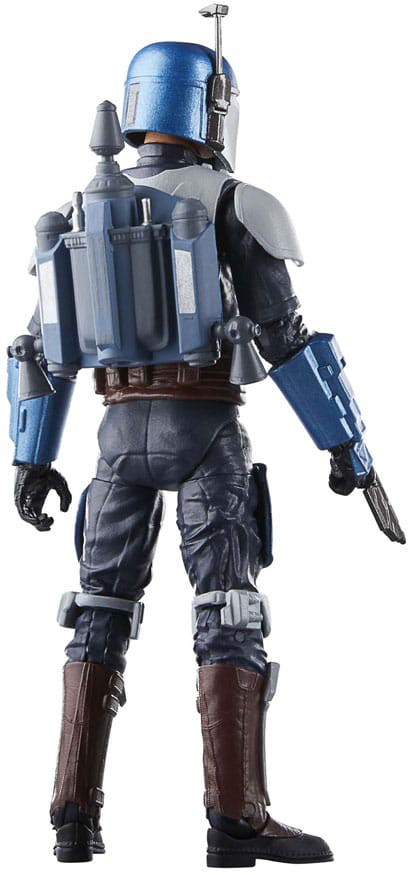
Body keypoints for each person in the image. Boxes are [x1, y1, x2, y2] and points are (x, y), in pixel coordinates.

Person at [10, 26, 393, 867]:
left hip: (115, 442)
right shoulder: (233, 204)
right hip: (206, 428)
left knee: (96, 611)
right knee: (229, 610)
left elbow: (40, 346)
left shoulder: (81, 211)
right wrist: (348, 449)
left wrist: (30, 459)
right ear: (212, 108)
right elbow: (287, 341)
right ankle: (236, 816)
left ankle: (72, 813)